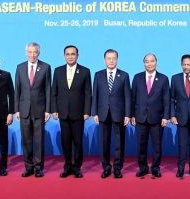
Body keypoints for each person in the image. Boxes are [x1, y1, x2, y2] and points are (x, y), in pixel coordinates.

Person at [52, 45, 91, 178]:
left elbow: (87, 93)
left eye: (73, 54)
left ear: (77, 56)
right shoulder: (58, 71)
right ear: (64, 56)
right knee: (65, 141)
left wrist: (87, 111)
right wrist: (54, 109)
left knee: (78, 142)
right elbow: (54, 92)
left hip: (78, 113)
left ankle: (77, 167)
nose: (70, 56)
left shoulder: (85, 71)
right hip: (63, 112)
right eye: (67, 54)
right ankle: (67, 166)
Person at [92, 49, 131, 179]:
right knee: (104, 143)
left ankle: (118, 168)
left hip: (119, 113)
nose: (111, 61)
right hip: (103, 113)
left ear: (117, 59)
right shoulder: (98, 75)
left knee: (119, 143)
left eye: (113, 58)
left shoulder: (124, 75)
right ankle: (106, 168)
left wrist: (127, 114)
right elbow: (95, 94)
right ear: (104, 60)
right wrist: (94, 112)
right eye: (108, 58)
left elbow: (127, 96)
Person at [15, 42, 51, 178]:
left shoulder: (46, 67)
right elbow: (17, 89)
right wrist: (17, 109)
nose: (32, 55)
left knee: (39, 140)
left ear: (39, 53)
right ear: (26, 53)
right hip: (24, 110)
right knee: (26, 140)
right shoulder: (20, 67)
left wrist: (48, 110)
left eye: (35, 52)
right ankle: (28, 167)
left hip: (39, 110)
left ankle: (39, 167)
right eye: (30, 52)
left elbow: (48, 89)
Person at [131, 53, 170, 178]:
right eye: (147, 61)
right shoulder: (137, 78)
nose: (149, 64)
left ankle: (155, 168)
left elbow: (166, 99)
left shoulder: (163, 79)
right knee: (141, 145)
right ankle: (142, 168)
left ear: (156, 63)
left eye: (152, 61)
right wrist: (132, 115)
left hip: (157, 118)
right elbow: (133, 98)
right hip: (140, 117)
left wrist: (165, 116)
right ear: (144, 63)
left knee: (157, 146)